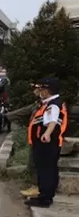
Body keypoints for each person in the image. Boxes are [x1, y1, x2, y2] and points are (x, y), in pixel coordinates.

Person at [25, 77, 69, 208]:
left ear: (47, 90)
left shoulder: (53, 104)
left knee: (46, 170)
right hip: (46, 143)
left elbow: (53, 121)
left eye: (41, 89)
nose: (38, 91)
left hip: (47, 144)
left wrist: (47, 134)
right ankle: (45, 195)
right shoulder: (49, 103)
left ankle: (45, 198)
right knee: (48, 170)